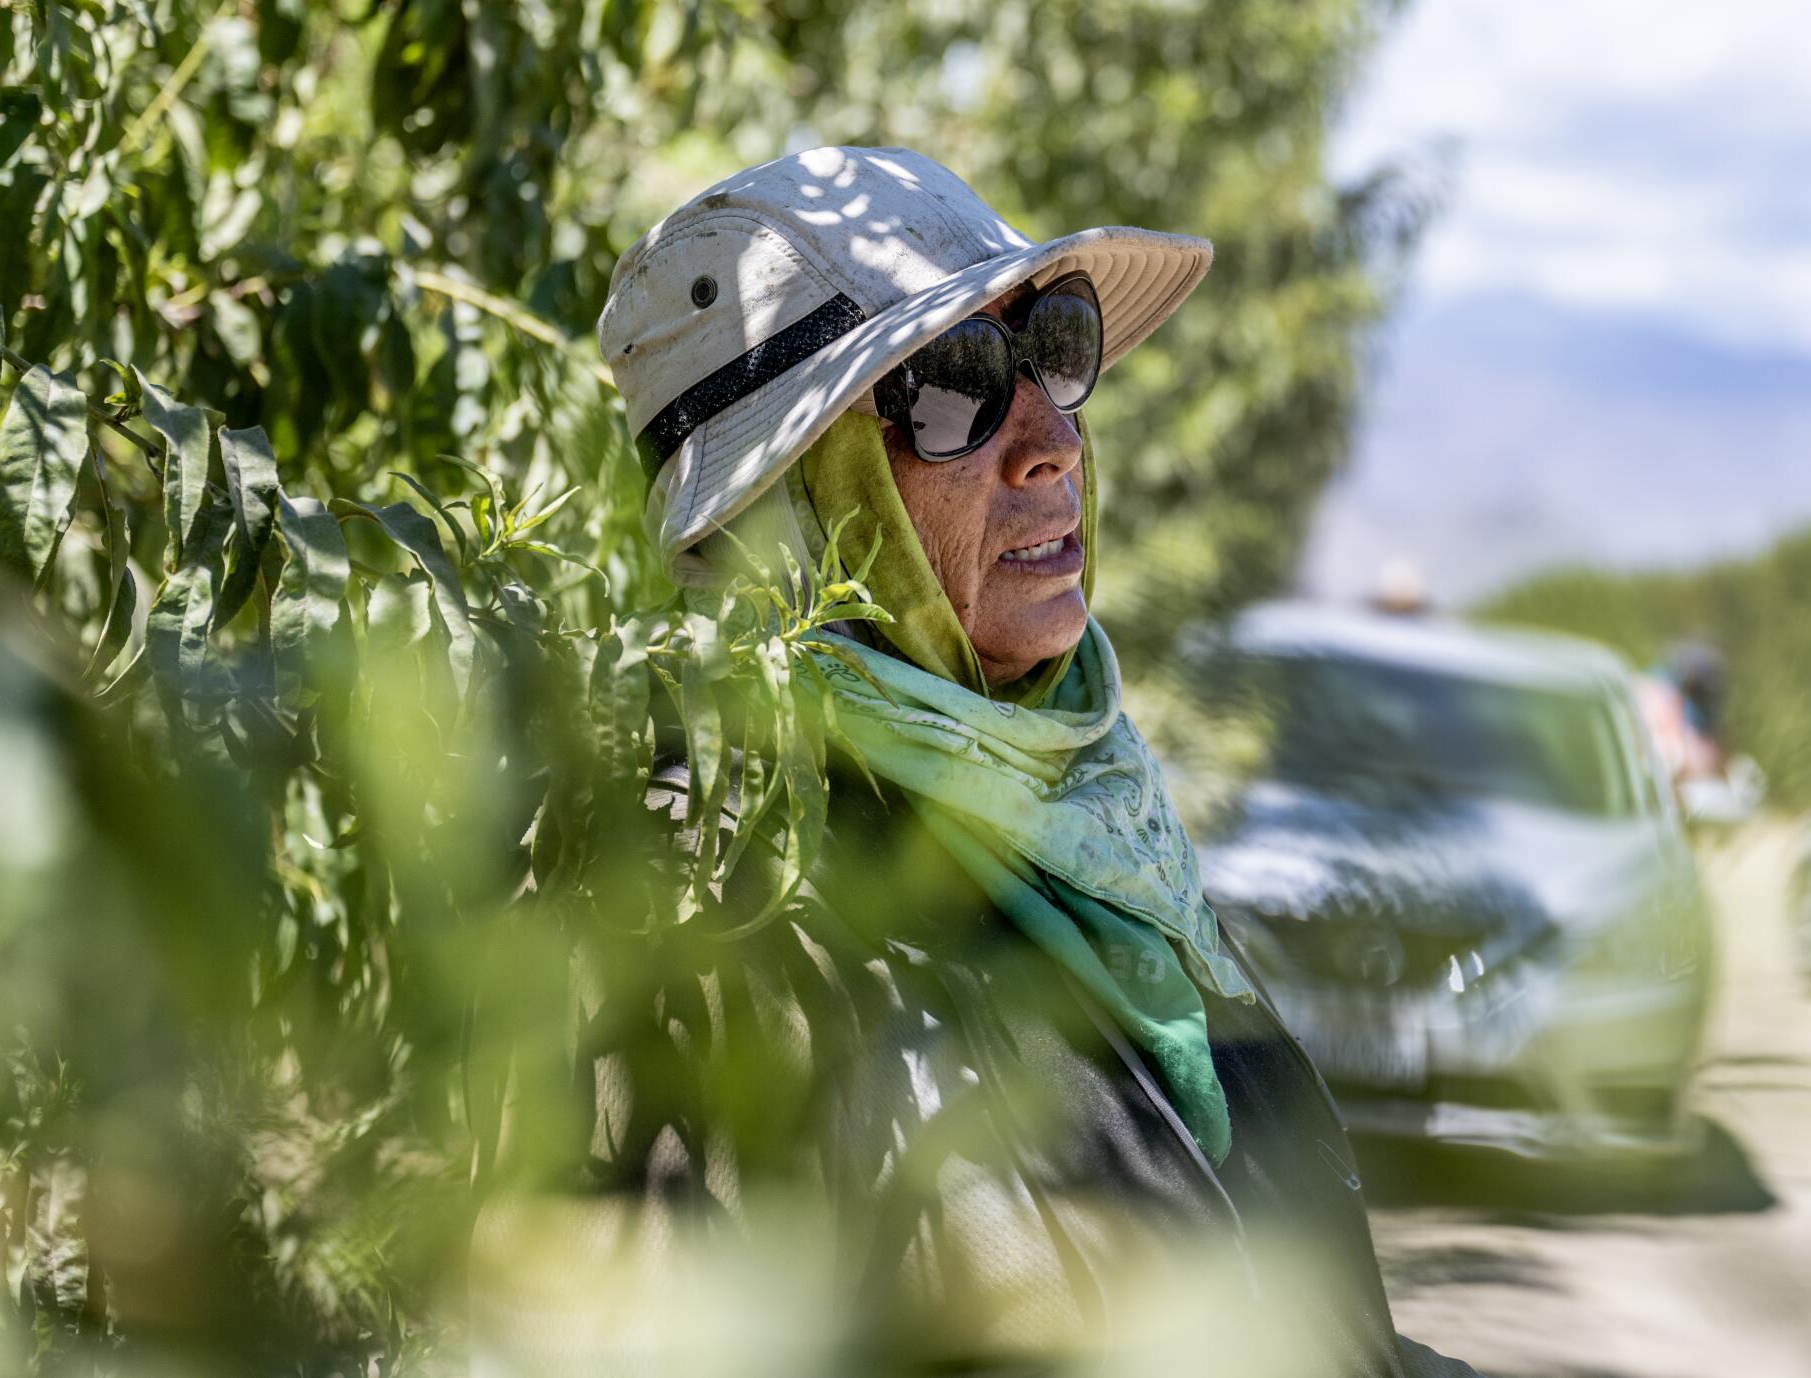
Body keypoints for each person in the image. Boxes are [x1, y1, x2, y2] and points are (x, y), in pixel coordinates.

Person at [473, 146, 1484, 1376]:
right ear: (794, 507)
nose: (1052, 436)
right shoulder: (713, 901)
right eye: (949, 387)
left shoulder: (1080, 815)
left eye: (1055, 347)